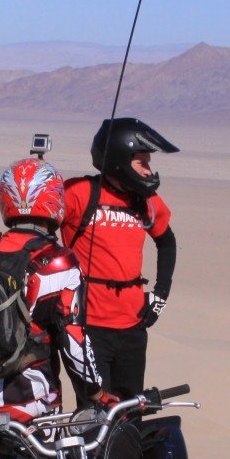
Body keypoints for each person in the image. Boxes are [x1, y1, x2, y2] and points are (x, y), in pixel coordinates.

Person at [0, 157, 106, 421]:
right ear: (54, 198)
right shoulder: (59, 262)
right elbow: (74, 342)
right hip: (34, 402)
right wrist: (96, 393)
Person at [61, 117, 180, 400]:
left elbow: (167, 241)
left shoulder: (146, 201)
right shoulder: (80, 193)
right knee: (95, 411)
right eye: (142, 162)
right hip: (88, 326)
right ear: (118, 159)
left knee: (130, 409)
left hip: (133, 326)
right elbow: (39, 226)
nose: (149, 170)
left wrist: (161, 294)